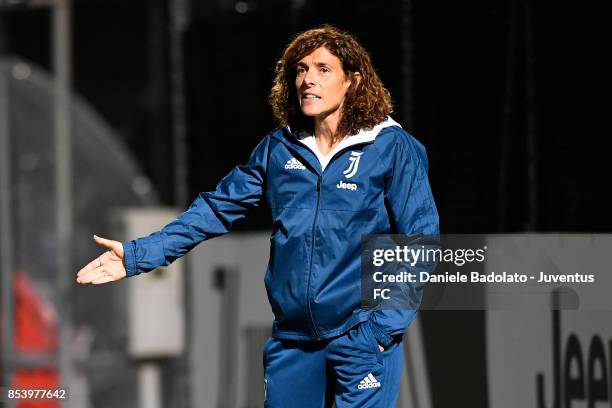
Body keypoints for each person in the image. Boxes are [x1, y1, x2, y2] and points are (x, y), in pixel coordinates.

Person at [77, 25, 439, 407]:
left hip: (360, 338)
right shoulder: (279, 148)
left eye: (322, 69)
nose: (307, 80)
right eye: (300, 69)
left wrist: (380, 332)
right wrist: (138, 255)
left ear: (353, 80)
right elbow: (216, 208)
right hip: (292, 342)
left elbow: (420, 240)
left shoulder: (392, 147)